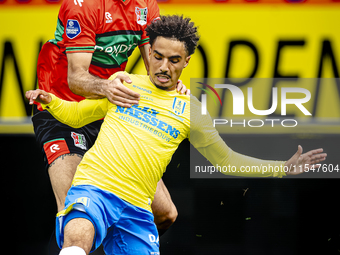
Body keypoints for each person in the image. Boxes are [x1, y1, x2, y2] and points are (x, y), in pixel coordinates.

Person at [27, 15, 327, 255]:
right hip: (96, 189)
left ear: (186, 62)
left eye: (173, 60)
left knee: (166, 215)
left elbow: (227, 160)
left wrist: (281, 168)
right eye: (157, 57)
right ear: (149, 54)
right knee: (77, 239)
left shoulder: (192, 112)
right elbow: (79, 116)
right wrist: (51, 101)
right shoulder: (126, 83)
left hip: (136, 209)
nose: (163, 67)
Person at [32, 0, 184, 237]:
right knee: (75, 211)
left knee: (164, 214)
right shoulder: (83, 5)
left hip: (107, 109)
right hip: (62, 110)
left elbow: (155, 66)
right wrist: (107, 87)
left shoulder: (146, 5)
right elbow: (76, 78)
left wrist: (173, 85)